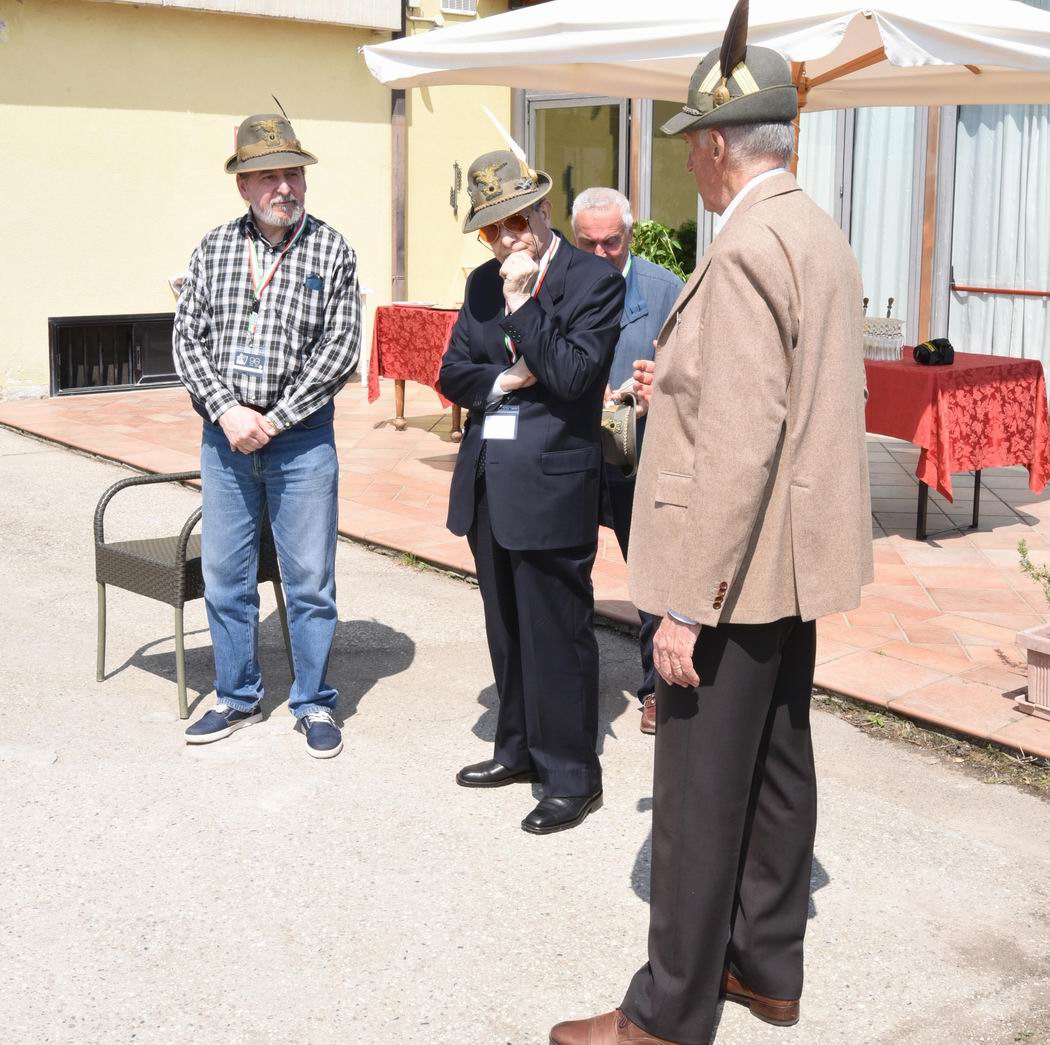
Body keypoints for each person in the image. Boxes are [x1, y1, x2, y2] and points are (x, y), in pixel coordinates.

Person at [549, 2, 872, 1041]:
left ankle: (666, 1012)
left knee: (695, 797)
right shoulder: (814, 231)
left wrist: (690, 604)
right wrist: (679, 381)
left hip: (732, 567)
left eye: (693, 141)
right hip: (790, 561)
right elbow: (782, 400)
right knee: (777, 765)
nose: (689, 159)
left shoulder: (742, 252)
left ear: (723, 145)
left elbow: (739, 445)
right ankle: (765, 965)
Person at [440, 147, 626, 834]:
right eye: (492, 229)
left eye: (516, 221)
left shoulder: (592, 280)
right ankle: (517, 748)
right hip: (490, 478)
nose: (506, 239)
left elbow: (574, 376)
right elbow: (452, 371)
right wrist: (507, 380)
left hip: (552, 484)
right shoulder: (480, 284)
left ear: (544, 211)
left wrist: (522, 305)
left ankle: (571, 775)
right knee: (508, 629)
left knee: (557, 634)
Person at [173, 113, 361, 759]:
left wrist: (276, 419)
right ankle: (237, 696)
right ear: (243, 185)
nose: (285, 186)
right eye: (269, 176)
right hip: (225, 437)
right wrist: (227, 411)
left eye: (293, 174)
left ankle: (314, 702)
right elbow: (187, 339)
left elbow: (340, 350)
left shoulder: (332, 250)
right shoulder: (214, 248)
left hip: (301, 440)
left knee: (309, 580)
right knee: (226, 577)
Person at [571, 187, 683, 735]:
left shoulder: (666, 291)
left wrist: (661, 387)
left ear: (630, 235)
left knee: (652, 572)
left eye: (611, 242)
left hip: (638, 455)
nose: (600, 254)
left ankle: (658, 688)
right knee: (568, 570)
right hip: (572, 452)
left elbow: (694, 376)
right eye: (588, 243)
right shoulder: (556, 283)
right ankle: (571, 682)